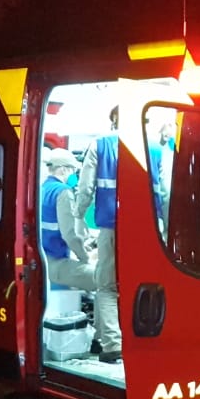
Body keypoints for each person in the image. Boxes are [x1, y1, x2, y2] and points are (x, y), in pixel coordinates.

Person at [74, 107, 122, 364]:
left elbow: (86, 187)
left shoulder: (101, 146)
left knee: (106, 286)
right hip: (150, 231)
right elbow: (167, 192)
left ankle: (113, 344)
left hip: (111, 227)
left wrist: (78, 215)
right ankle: (105, 340)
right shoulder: (156, 149)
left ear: (112, 118)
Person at [40, 148, 95, 291]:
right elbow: (69, 234)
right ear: (63, 170)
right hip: (57, 263)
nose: (74, 175)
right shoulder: (63, 192)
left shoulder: (42, 189)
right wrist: (84, 257)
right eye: (73, 170)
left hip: (43, 259)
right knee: (103, 281)